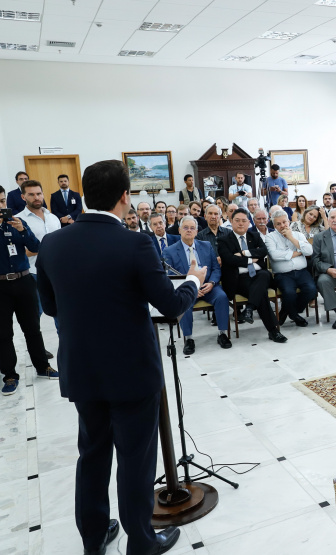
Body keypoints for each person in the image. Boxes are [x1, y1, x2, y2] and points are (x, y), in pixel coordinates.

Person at [36, 159, 204, 554]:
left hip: (82, 370)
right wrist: (194, 280)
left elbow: (49, 307)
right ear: (125, 197)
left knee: (92, 457)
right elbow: (169, 304)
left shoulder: (53, 243)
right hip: (131, 371)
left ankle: (93, 541)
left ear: (83, 195)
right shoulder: (135, 243)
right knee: (134, 461)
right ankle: (141, 543)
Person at [0, 185, 57, 396]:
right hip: (1, 286)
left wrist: (22, 231)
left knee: (33, 327)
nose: (2, 205)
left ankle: (43, 367)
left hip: (24, 281)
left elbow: (35, 246)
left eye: (3, 201)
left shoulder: (18, 222)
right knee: (4, 333)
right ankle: (10, 375)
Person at [163, 216, 231, 354]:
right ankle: (188, 339)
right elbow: (171, 276)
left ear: (196, 231)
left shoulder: (206, 245)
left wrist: (212, 283)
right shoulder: (169, 251)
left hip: (208, 286)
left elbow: (216, 268)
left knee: (222, 297)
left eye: (192, 228)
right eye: (186, 228)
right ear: (180, 230)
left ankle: (222, 334)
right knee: (183, 303)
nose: (189, 230)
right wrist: (191, 287)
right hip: (187, 288)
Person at [217, 210, 287, 343]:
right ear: (231, 222)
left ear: (249, 223)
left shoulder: (254, 236)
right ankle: (273, 331)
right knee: (261, 293)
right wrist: (251, 259)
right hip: (238, 280)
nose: (240, 223)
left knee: (264, 274)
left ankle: (249, 309)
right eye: (237, 220)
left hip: (258, 275)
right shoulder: (223, 240)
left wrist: (244, 253)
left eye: (244, 220)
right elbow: (229, 260)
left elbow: (263, 251)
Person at [17, 180, 62, 342]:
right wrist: (42, 249)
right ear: (23, 197)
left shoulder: (53, 218)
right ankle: (38, 349)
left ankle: (64, 343)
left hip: (56, 273)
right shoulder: (18, 221)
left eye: (39, 193)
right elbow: (19, 252)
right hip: (33, 274)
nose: (36, 197)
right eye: (31, 194)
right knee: (34, 315)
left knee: (60, 312)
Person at [265, 211, 316, 327]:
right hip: (283, 274)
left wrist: (291, 238)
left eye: (284, 222)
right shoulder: (270, 237)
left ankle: (286, 311)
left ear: (289, 222)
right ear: (274, 226)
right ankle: (294, 315)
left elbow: (309, 251)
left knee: (311, 289)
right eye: (278, 224)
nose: (282, 225)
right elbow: (274, 255)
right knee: (289, 293)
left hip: (302, 272)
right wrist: (297, 252)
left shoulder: (298, 235)